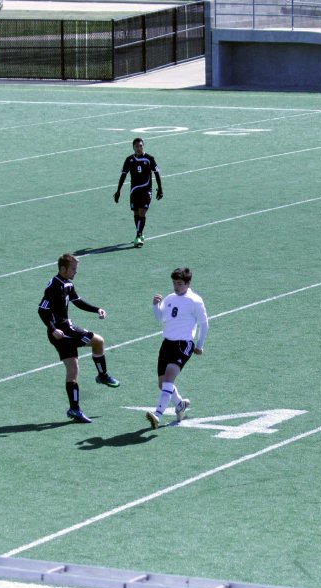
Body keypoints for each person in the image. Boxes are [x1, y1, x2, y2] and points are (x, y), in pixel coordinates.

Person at [38, 253, 120, 424]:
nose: (76, 272)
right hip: (63, 330)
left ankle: (74, 409)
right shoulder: (54, 286)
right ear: (63, 269)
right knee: (98, 341)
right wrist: (53, 329)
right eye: (73, 269)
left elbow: (78, 301)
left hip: (62, 331)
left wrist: (97, 309)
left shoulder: (67, 283)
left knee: (73, 370)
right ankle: (102, 375)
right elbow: (42, 309)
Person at [145, 267, 208, 430]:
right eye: (174, 283)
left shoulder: (195, 300)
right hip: (167, 343)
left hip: (183, 344)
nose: (176, 286)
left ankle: (157, 415)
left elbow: (204, 324)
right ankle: (180, 404)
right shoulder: (170, 298)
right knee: (162, 384)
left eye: (179, 283)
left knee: (168, 379)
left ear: (187, 283)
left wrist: (200, 345)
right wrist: (155, 306)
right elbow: (160, 319)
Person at [113, 137, 163, 248]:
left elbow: (156, 173)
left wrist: (160, 189)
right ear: (133, 147)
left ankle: (138, 235)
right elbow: (123, 175)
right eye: (137, 146)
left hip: (146, 190)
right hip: (134, 190)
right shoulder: (129, 160)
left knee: (142, 213)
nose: (139, 148)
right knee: (136, 214)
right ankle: (140, 233)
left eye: (141, 146)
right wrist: (118, 191)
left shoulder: (149, 158)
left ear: (143, 146)